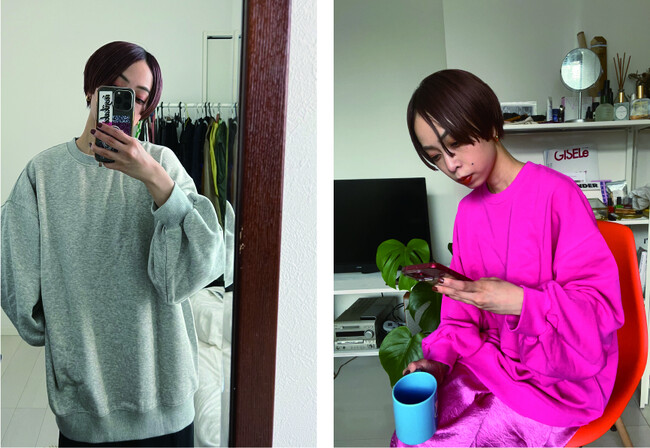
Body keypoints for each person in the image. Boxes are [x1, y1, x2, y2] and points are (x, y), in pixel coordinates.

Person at [1, 41, 225, 446]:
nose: (127, 103)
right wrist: (68, 335)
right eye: (116, 89)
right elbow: (17, 285)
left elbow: (195, 270)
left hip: (166, 400)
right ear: (92, 90)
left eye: (138, 98)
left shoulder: (164, 166)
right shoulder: (43, 174)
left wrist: (155, 181)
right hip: (85, 405)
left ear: (143, 112)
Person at [392, 69, 624, 447]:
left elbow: (599, 312)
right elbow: (459, 316)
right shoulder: (467, 213)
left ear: (489, 124)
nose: (451, 165)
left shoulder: (557, 195)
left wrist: (519, 301)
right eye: (436, 156)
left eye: (456, 144)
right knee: (414, 435)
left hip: (560, 380)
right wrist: (437, 361)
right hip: (493, 365)